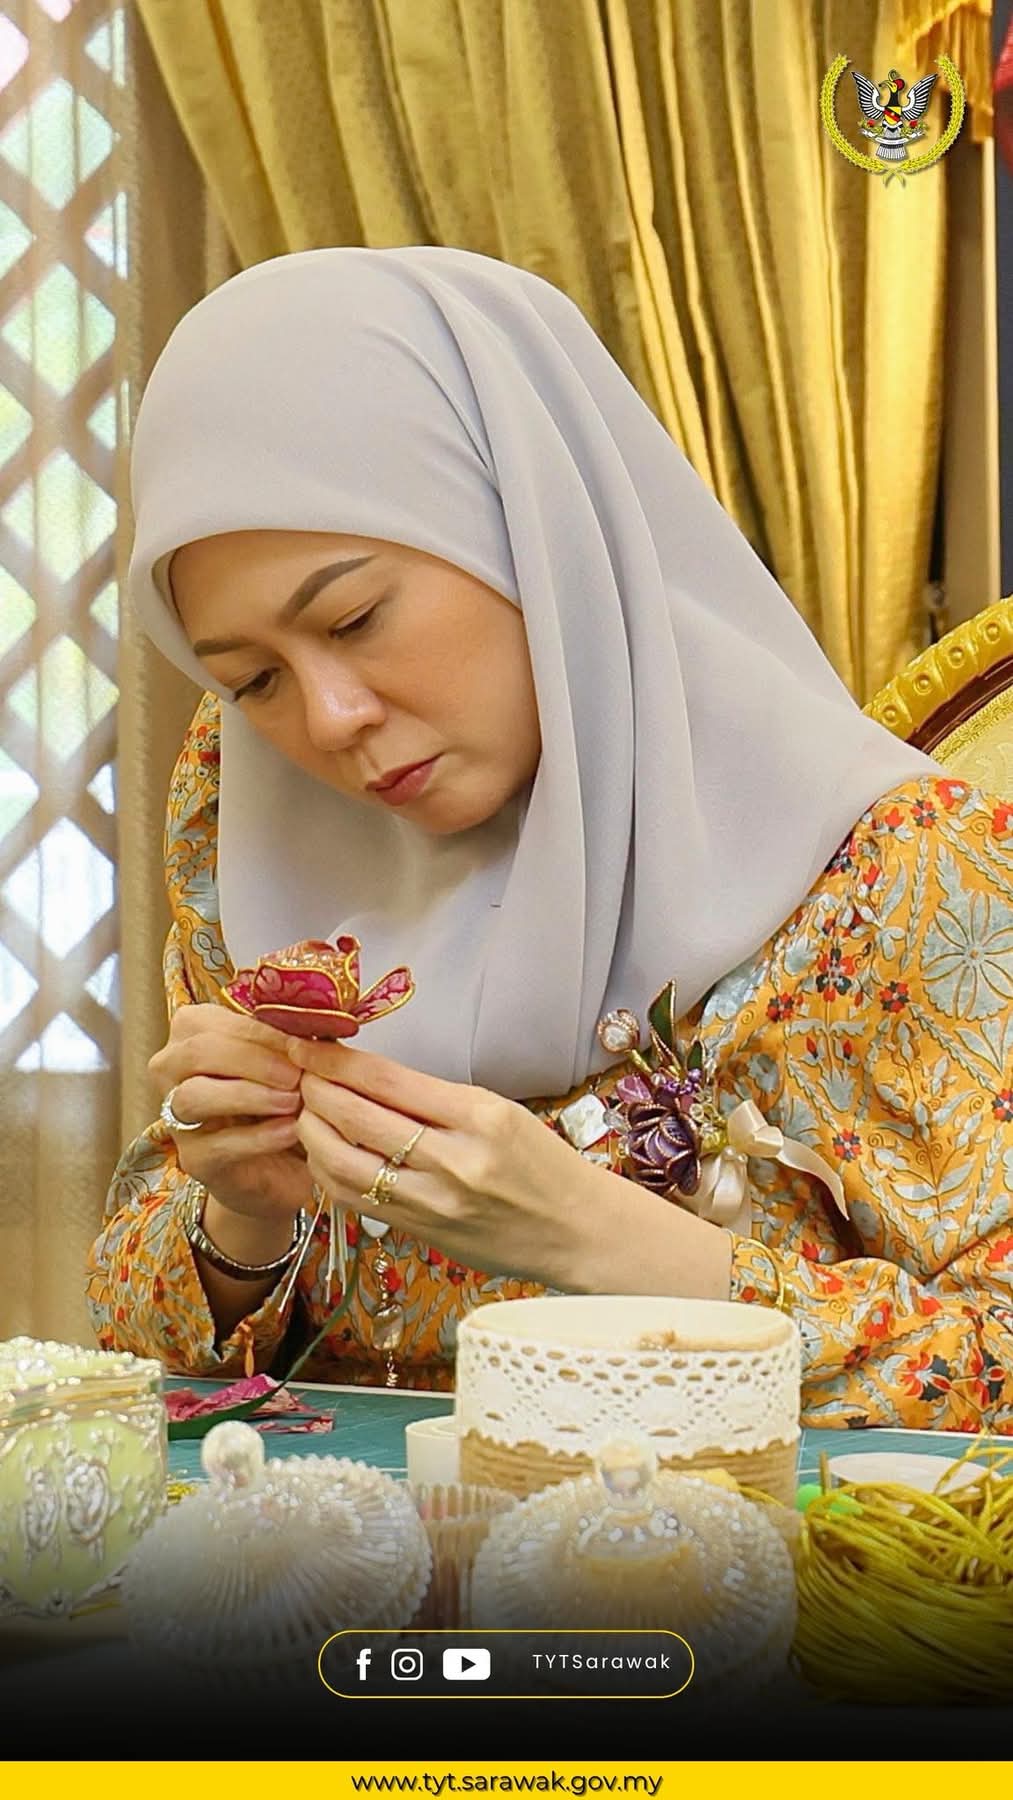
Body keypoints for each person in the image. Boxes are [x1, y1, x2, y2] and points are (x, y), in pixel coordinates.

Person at [88, 246, 1013, 1428]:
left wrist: (594, 1237)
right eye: (252, 679)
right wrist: (244, 1218)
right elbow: (140, 1340)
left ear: (531, 532)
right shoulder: (259, 833)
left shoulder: (899, 870)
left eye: (355, 617)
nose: (327, 719)